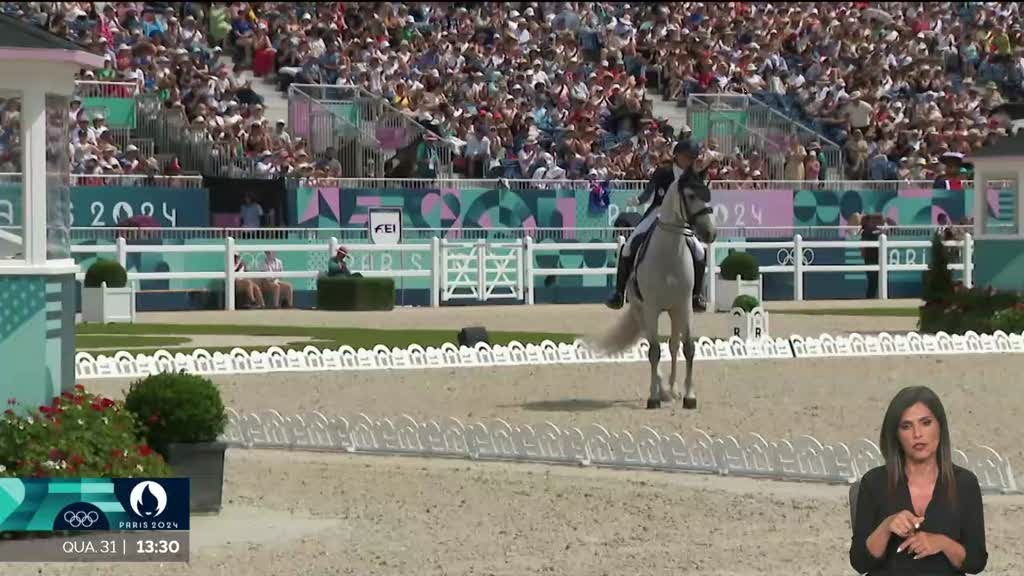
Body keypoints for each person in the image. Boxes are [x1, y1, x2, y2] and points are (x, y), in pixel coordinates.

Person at [850, 385, 987, 575]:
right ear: (896, 434)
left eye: (926, 422)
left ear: (940, 426)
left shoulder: (965, 484)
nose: (917, 434)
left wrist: (943, 543)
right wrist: (886, 526)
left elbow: (976, 562)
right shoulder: (874, 483)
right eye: (906, 426)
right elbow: (860, 563)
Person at [606, 139, 710, 311]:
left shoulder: (693, 175)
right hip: (658, 211)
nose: (690, 161)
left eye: (693, 158)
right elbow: (650, 191)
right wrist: (639, 200)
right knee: (629, 246)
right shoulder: (664, 172)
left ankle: (696, 295)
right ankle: (618, 293)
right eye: (687, 157)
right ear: (677, 156)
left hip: (681, 218)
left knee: (699, 251)